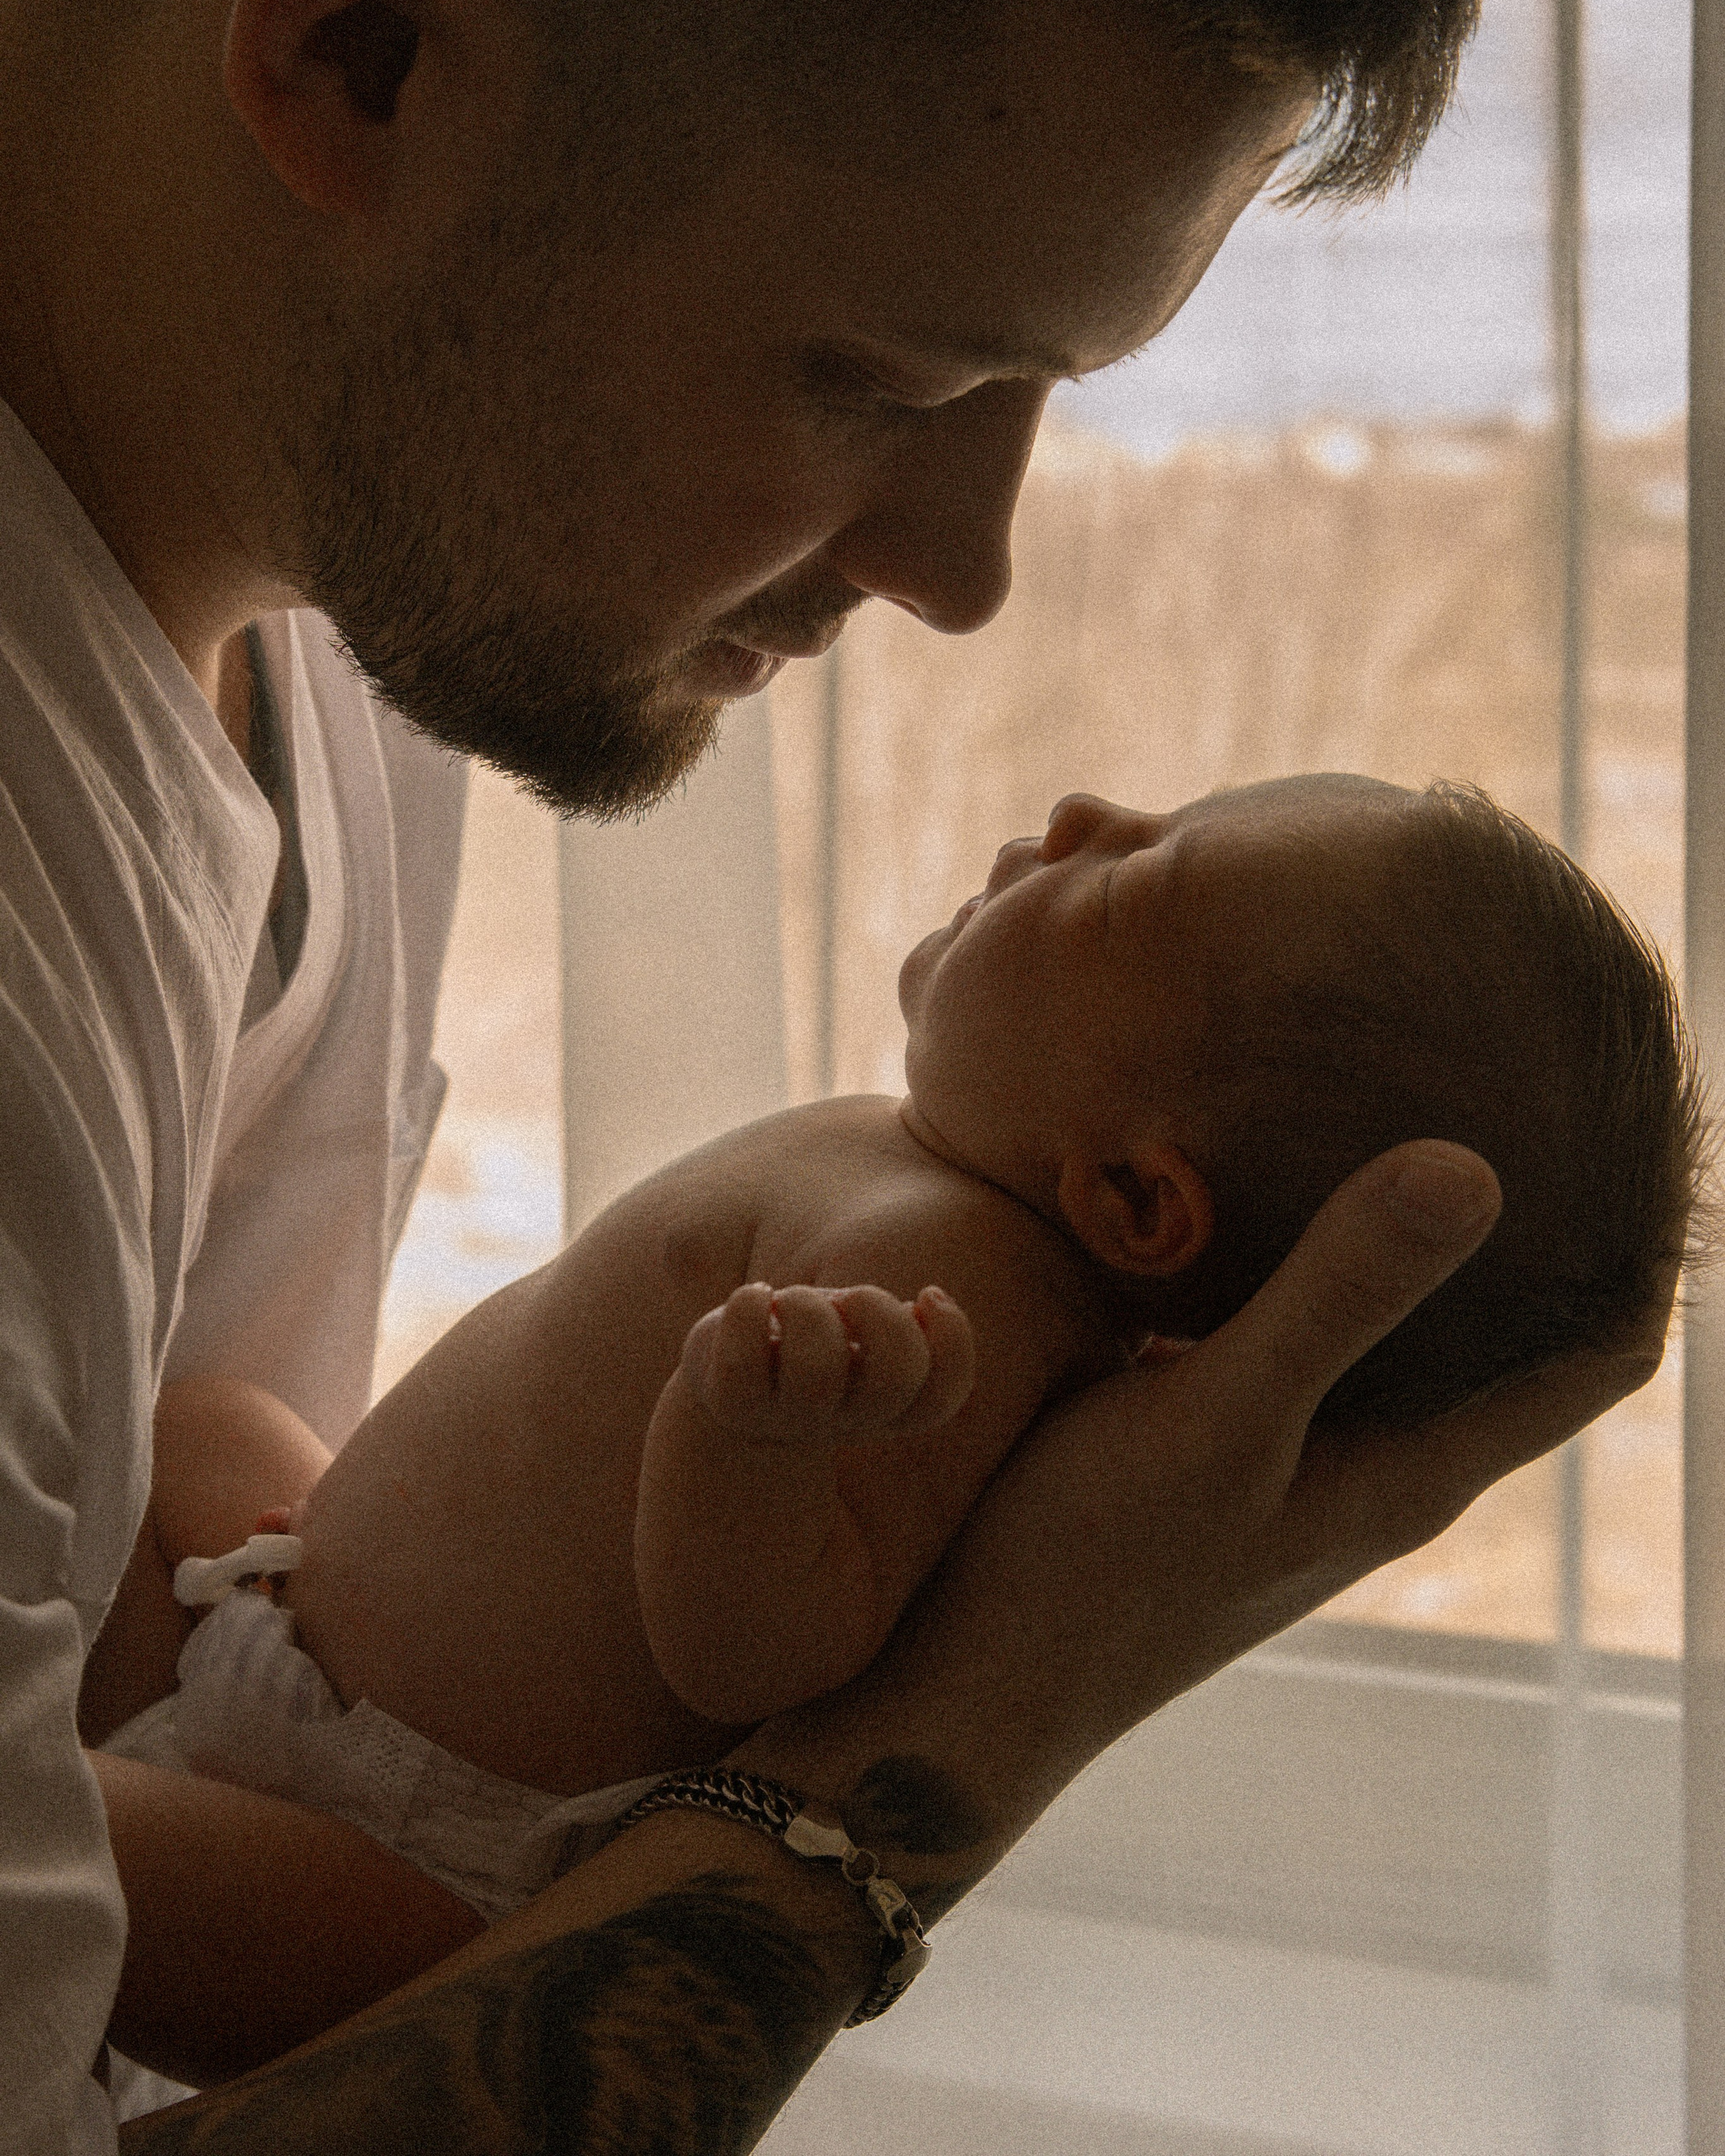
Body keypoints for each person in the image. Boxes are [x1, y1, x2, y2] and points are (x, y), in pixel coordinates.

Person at [0, 0, 1671, 2146]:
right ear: (372, 49)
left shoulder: (357, 576)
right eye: (879, 372)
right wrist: (978, 1721)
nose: (965, 573)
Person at [85, 773, 1705, 2091]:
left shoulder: (955, 1296)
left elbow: (760, 1661)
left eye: (1137, 881)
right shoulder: (917, 1181)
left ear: (1136, 1195)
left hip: (403, 1866)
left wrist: (750, 1448)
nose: (1079, 815)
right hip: (304, 1639)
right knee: (205, 1419)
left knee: (59, 1853)